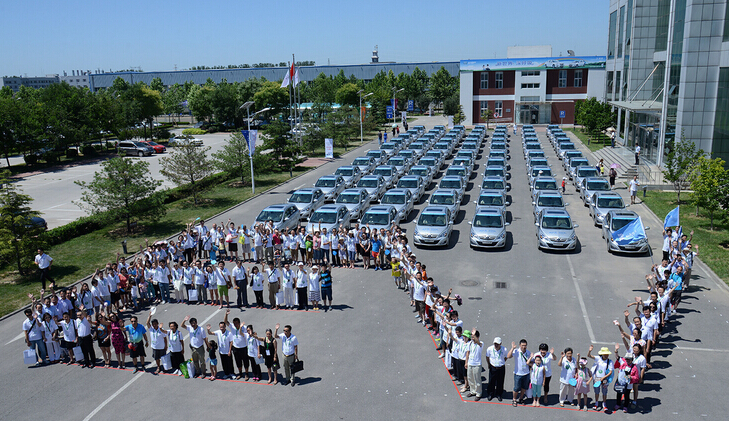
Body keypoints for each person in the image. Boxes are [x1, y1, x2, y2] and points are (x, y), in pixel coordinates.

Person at [587, 344, 615, 412]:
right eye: (605, 354)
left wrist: (603, 377)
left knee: (604, 392)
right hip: (596, 378)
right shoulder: (598, 358)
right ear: (602, 354)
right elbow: (589, 356)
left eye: (607, 354)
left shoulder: (610, 361)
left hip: (605, 379)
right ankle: (596, 403)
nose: (606, 355)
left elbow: (610, 372)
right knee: (596, 391)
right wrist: (590, 351)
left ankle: (604, 404)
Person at [508, 339, 531, 406]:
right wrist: (512, 348)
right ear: (519, 345)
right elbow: (508, 356)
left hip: (526, 373)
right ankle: (514, 399)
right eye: (522, 345)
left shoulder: (528, 353)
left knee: (524, 388)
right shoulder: (516, 351)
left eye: (525, 345)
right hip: (518, 373)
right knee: (516, 388)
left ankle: (521, 398)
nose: (524, 347)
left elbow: (531, 362)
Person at [485, 337, 507, 401]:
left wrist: (501, 362)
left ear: (500, 343)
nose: (496, 345)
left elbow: (506, 357)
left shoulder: (504, 349)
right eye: (495, 344)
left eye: (497, 344)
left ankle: (499, 394)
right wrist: (489, 364)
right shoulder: (490, 349)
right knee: (491, 381)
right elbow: (487, 357)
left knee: (500, 381)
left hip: (501, 367)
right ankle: (490, 393)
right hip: (493, 367)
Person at [464, 329, 484, 401]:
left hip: (477, 364)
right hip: (470, 363)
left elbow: (479, 343)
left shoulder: (480, 343)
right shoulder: (470, 343)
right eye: (472, 337)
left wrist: (474, 334)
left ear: (477, 337)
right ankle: (472, 391)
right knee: (470, 378)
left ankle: (478, 393)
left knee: (477, 379)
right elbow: (468, 353)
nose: (472, 338)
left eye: (473, 337)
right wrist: (466, 362)